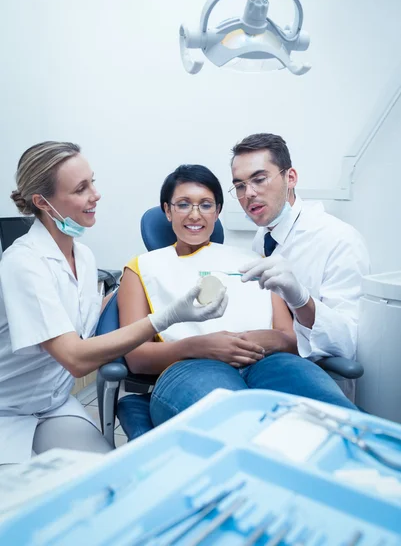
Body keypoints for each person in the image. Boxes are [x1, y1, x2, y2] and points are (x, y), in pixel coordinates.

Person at [0, 142, 227, 467]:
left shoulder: (84, 256)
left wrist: (148, 284)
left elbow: (91, 315)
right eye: (81, 188)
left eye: (92, 181)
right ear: (42, 202)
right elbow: (75, 358)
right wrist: (167, 316)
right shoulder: (23, 263)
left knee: (107, 479)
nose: (96, 194)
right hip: (6, 408)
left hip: (52, 404)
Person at [117, 164, 356, 441]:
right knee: (242, 430)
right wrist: (200, 347)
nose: (195, 214)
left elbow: (290, 340)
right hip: (190, 368)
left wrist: (249, 340)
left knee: (338, 422)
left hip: (269, 363)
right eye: (183, 204)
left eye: (206, 205)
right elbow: (135, 358)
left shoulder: (255, 260)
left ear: (217, 212)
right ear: (167, 211)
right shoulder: (142, 268)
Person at [230, 133, 371, 397]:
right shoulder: (263, 238)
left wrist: (301, 299)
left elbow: (348, 344)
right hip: (266, 374)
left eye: (260, 179)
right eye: (239, 186)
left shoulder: (339, 240)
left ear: (290, 178)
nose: (249, 193)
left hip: (318, 382)